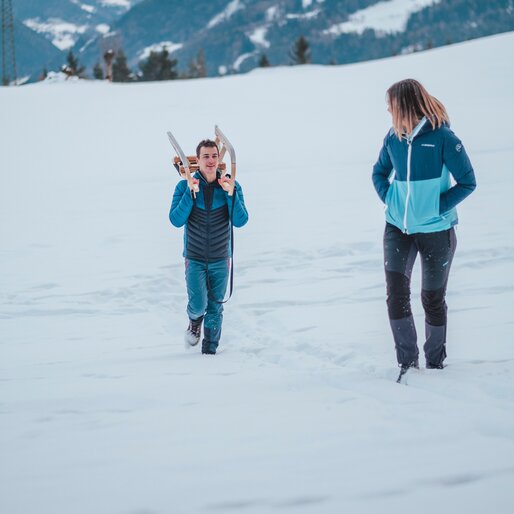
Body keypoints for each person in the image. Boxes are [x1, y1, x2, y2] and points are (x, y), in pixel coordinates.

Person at [372, 79, 476, 372]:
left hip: (436, 231)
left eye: (390, 103)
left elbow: (468, 182)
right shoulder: (393, 138)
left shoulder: (442, 137)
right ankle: (407, 362)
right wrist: (390, 199)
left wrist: (435, 208)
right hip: (397, 230)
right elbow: (379, 172)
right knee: (396, 295)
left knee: (431, 298)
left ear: (403, 104)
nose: (388, 109)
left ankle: (434, 363)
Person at [169, 139, 248, 355]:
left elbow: (240, 221)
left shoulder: (231, 185)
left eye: (214, 156)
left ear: (219, 159)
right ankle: (194, 322)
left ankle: (210, 352)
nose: (211, 160)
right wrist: (189, 193)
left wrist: (231, 194)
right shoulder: (183, 185)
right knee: (198, 305)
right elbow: (176, 220)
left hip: (221, 258)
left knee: (215, 307)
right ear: (199, 160)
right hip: (194, 258)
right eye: (206, 156)